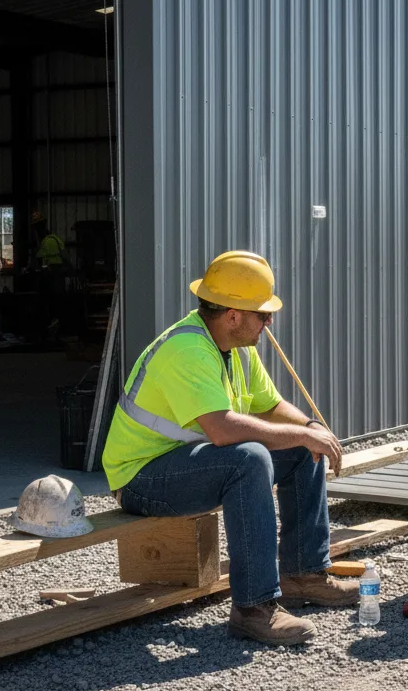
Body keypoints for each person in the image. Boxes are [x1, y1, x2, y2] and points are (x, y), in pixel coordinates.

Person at [102, 250, 358, 645]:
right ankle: (253, 608)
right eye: (262, 314)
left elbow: (270, 406)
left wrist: (310, 429)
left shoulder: (239, 349)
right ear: (233, 315)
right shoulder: (187, 349)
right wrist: (304, 434)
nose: (269, 321)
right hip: (140, 477)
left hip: (182, 465)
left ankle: (303, 575)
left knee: (303, 449)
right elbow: (221, 431)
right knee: (250, 458)